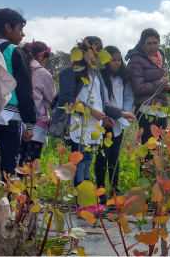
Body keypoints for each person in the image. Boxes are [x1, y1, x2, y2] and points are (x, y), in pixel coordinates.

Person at [57, 37, 134, 216]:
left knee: (87, 162)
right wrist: (90, 110)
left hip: (93, 129)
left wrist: (120, 113)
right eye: (92, 52)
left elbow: (103, 103)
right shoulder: (71, 72)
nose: (96, 57)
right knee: (79, 164)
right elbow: (66, 101)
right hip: (78, 127)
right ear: (82, 52)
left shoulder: (96, 74)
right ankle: (82, 204)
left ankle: (88, 202)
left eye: (98, 54)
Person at [0, 8, 36, 233]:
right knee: (9, 169)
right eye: (20, 28)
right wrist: (30, 123)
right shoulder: (13, 51)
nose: (22, 34)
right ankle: (5, 217)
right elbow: (24, 90)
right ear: (8, 28)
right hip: (10, 118)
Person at [126, 28, 170, 171]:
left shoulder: (161, 57)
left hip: (161, 108)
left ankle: (158, 181)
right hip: (146, 108)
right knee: (147, 146)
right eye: (149, 43)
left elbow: (163, 80)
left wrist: (168, 87)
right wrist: (161, 83)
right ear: (141, 44)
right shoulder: (136, 60)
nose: (153, 46)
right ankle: (146, 181)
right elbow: (138, 87)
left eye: (155, 43)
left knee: (161, 145)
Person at [96, 46, 134, 204]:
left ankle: (114, 188)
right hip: (102, 122)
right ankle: (100, 189)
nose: (117, 63)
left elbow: (128, 97)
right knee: (101, 156)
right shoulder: (99, 77)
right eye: (113, 60)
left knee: (114, 157)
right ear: (105, 60)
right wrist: (106, 115)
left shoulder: (122, 79)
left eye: (119, 60)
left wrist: (123, 112)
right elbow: (98, 100)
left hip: (118, 123)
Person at [18, 40, 56, 169]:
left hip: (17, 121)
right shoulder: (42, 73)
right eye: (45, 60)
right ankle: (28, 189)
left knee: (16, 162)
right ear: (41, 56)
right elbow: (53, 99)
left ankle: (12, 189)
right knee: (31, 166)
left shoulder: (19, 67)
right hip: (36, 124)